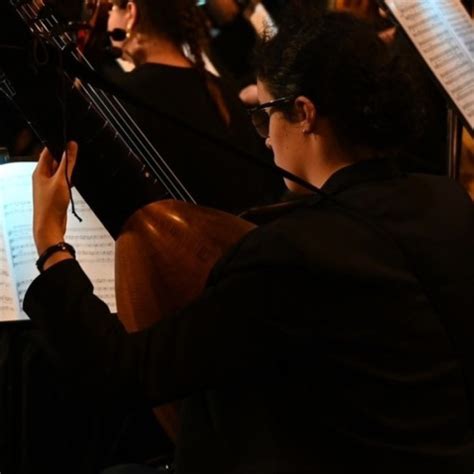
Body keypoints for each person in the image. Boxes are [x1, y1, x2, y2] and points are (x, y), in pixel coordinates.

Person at [24, 11, 474, 473]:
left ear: (303, 114)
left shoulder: (294, 255)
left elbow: (121, 373)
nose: (264, 140)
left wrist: (51, 245)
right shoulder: (447, 201)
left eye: (264, 116)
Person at [71, 0, 283, 238]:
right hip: (254, 239)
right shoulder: (219, 88)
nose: (106, 21)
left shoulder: (123, 97)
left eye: (111, 11)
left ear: (131, 13)